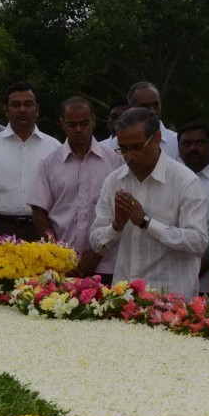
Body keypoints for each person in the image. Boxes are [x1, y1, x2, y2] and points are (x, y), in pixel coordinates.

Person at [90, 107, 208, 297]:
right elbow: (97, 243)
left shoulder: (185, 181)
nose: (129, 155)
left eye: (137, 147)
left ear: (157, 138)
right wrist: (117, 226)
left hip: (171, 298)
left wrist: (146, 222)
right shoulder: (114, 181)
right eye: (123, 148)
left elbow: (198, 242)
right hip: (125, 295)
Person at [29, 96, 123, 282]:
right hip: (60, 265)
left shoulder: (116, 162)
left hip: (105, 263)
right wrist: (57, 254)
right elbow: (39, 213)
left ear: (94, 121)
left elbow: (120, 214)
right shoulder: (48, 163)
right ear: (62, 125)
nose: (78, 129)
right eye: (72, 124)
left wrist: (97, 253)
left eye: (84, 123)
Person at [0, 82, 61, 240]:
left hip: (41, 232)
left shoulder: (54, 148)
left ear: (37, 110)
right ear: (6, 110)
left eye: (28, 104)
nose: (22, 109)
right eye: (15, 104)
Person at [176, 121, 209, 294]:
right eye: (186, 144)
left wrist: (198, 270)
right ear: (179, 148)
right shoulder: (170, 180)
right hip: (172, 279)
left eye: (200, 143)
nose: (193, 148)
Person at [126, 82, 178, 158]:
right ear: (131, 109)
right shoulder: (116, 145)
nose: (153, 111)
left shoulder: (177, 143)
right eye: (145, 106)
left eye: (156, 105)